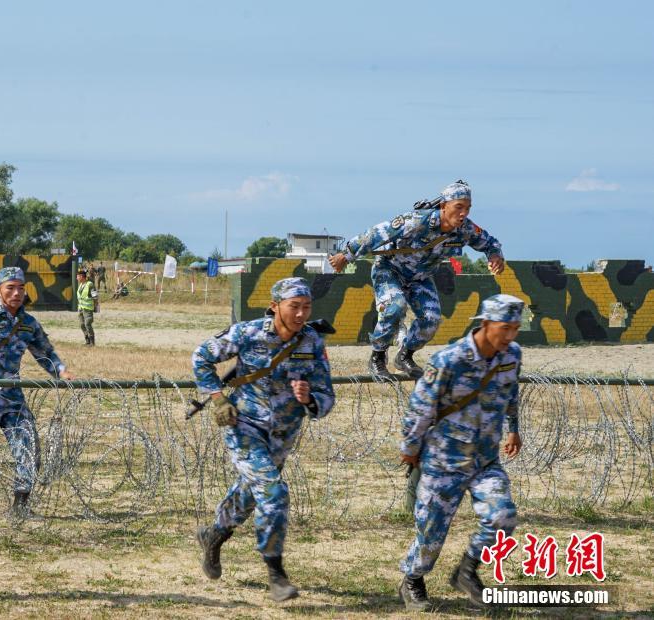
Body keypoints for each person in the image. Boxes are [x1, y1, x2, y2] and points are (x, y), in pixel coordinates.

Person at [192, 277, 335, 602]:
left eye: (306, 307)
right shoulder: (248, 333)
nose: (300, 314)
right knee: (272, 490)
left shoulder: (312, 341)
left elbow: (327, 395)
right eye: (293, 306)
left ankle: (214, 535)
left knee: (252, 491)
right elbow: (201, 356)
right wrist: (217, 398)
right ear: (275, 307)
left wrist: (309, 398)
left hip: (283, 433)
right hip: (244, 425)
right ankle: (276, 573)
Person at [397, 294, 524, 611]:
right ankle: (412, 580)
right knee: (430, 535)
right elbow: (420, 409)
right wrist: (411, 449)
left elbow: (511, 393)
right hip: (443, 462)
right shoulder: (448, 361)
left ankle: (466, 572)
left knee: (502, 517)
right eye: (504, 328)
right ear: (485, 324)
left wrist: (514, 428)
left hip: (484, 460)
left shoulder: (512, 356)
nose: (510, 336)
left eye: (515, 329)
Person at [329, 180, 505, 380]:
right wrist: (346, 255)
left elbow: (489, 242)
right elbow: (376, 234)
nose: (464, 213)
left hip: (420, 278)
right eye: (459, 207)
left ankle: (405, 355)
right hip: (390, 270)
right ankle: (378, 356)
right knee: (395, 307)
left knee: (431, 320)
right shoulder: (417, 221)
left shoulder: (465, 229)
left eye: (468, 208)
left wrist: (495, 256)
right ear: (443, 206)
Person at [0, 267, 75, 515]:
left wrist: (61, 371)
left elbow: (45, 353)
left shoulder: (28, 323)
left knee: (28, 447)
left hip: (12, 397)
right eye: (10, 287)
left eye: (21, 287)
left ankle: (20, 507)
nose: (17, 292)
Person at [76, 268, 98, 346]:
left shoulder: (90, 284)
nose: (77, 278)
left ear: (82, 276)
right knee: (82, 325)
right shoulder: (81, 285)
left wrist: (96, 306)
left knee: (87, 324)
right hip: (81, 308)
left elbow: (95, 296)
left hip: (88, 309)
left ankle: (92, 342)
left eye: (78, 276)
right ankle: (87, 340)